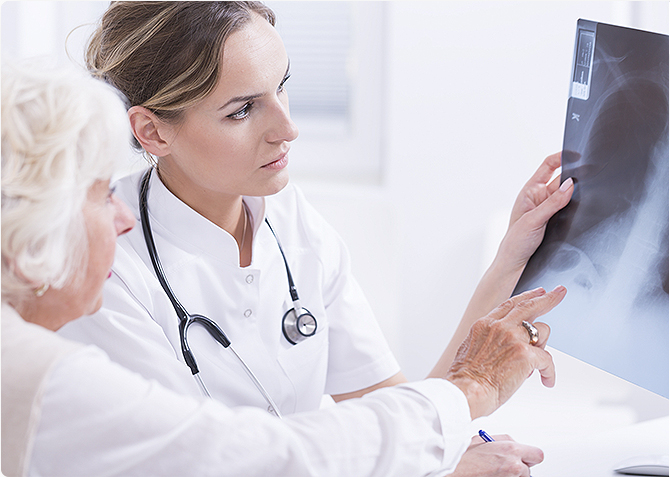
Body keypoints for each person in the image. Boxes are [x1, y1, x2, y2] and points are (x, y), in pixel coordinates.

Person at [57, 1, 574, 473]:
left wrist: (509, 260)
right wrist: (453, 446)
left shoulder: (292, 220)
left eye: (281, 86)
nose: (287, 128)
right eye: (242, 110)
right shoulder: (103, 269)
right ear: (152, 132)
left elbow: (403, 411)